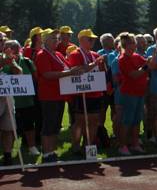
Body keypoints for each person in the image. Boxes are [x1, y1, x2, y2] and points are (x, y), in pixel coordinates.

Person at [35, 29, 86, 162]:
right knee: (49, 125)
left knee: (55, 125)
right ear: (45, 40)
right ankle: (47, 154)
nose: (57, 41)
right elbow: (47, 74)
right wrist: (69, 73)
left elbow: (68, 67)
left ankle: (51, 152)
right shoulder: (42, 54)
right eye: (53, 39)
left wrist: (80, 68)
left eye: (57, 39)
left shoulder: (57, 54)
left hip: (59, 95)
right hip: (48, 95)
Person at [65, 29, 105, 154]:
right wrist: (94, 64)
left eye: (93, 39)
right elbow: (77, 70)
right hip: (80, 93)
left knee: (94, 121)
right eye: (89, 39)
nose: (92, 41)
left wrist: (102, 65)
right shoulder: (75, 54)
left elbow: (102, 72)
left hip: (95, 93)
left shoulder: (95, 54)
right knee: (80, 121)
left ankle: (88, 146)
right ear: (81, 40)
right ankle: (76, 146)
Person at [4, 40, 39, 157]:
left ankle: (32, 147)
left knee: (29, 125)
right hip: (9, 102)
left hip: (26, 100)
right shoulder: (4, 63)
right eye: (7, 48)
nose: (9, 50)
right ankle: (9, 151)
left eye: (12, 48)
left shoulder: (27, 61)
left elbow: (34, 78)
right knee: (10, 128)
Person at [117, 33, 149, 155]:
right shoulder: (123, 58)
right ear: (125, 45)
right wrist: (147, 66)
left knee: (137, 120)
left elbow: (150, 65)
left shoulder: (137, 56)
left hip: (140, 93)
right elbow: (134, 74)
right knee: (127, 120)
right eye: (132, 43)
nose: (134, 45)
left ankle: (135, 144)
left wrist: (153, 59)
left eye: (134, 43)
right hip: (129, 94)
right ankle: (122, 146)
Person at [0, 43, 22, 165]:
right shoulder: (4, 58)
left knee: (8, 128)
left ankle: (7, 155)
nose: (2, 43)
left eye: (2, 41)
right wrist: (4, 61)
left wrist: (12, 62)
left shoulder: (7, 57)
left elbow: (19, 72)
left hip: (7, 96)